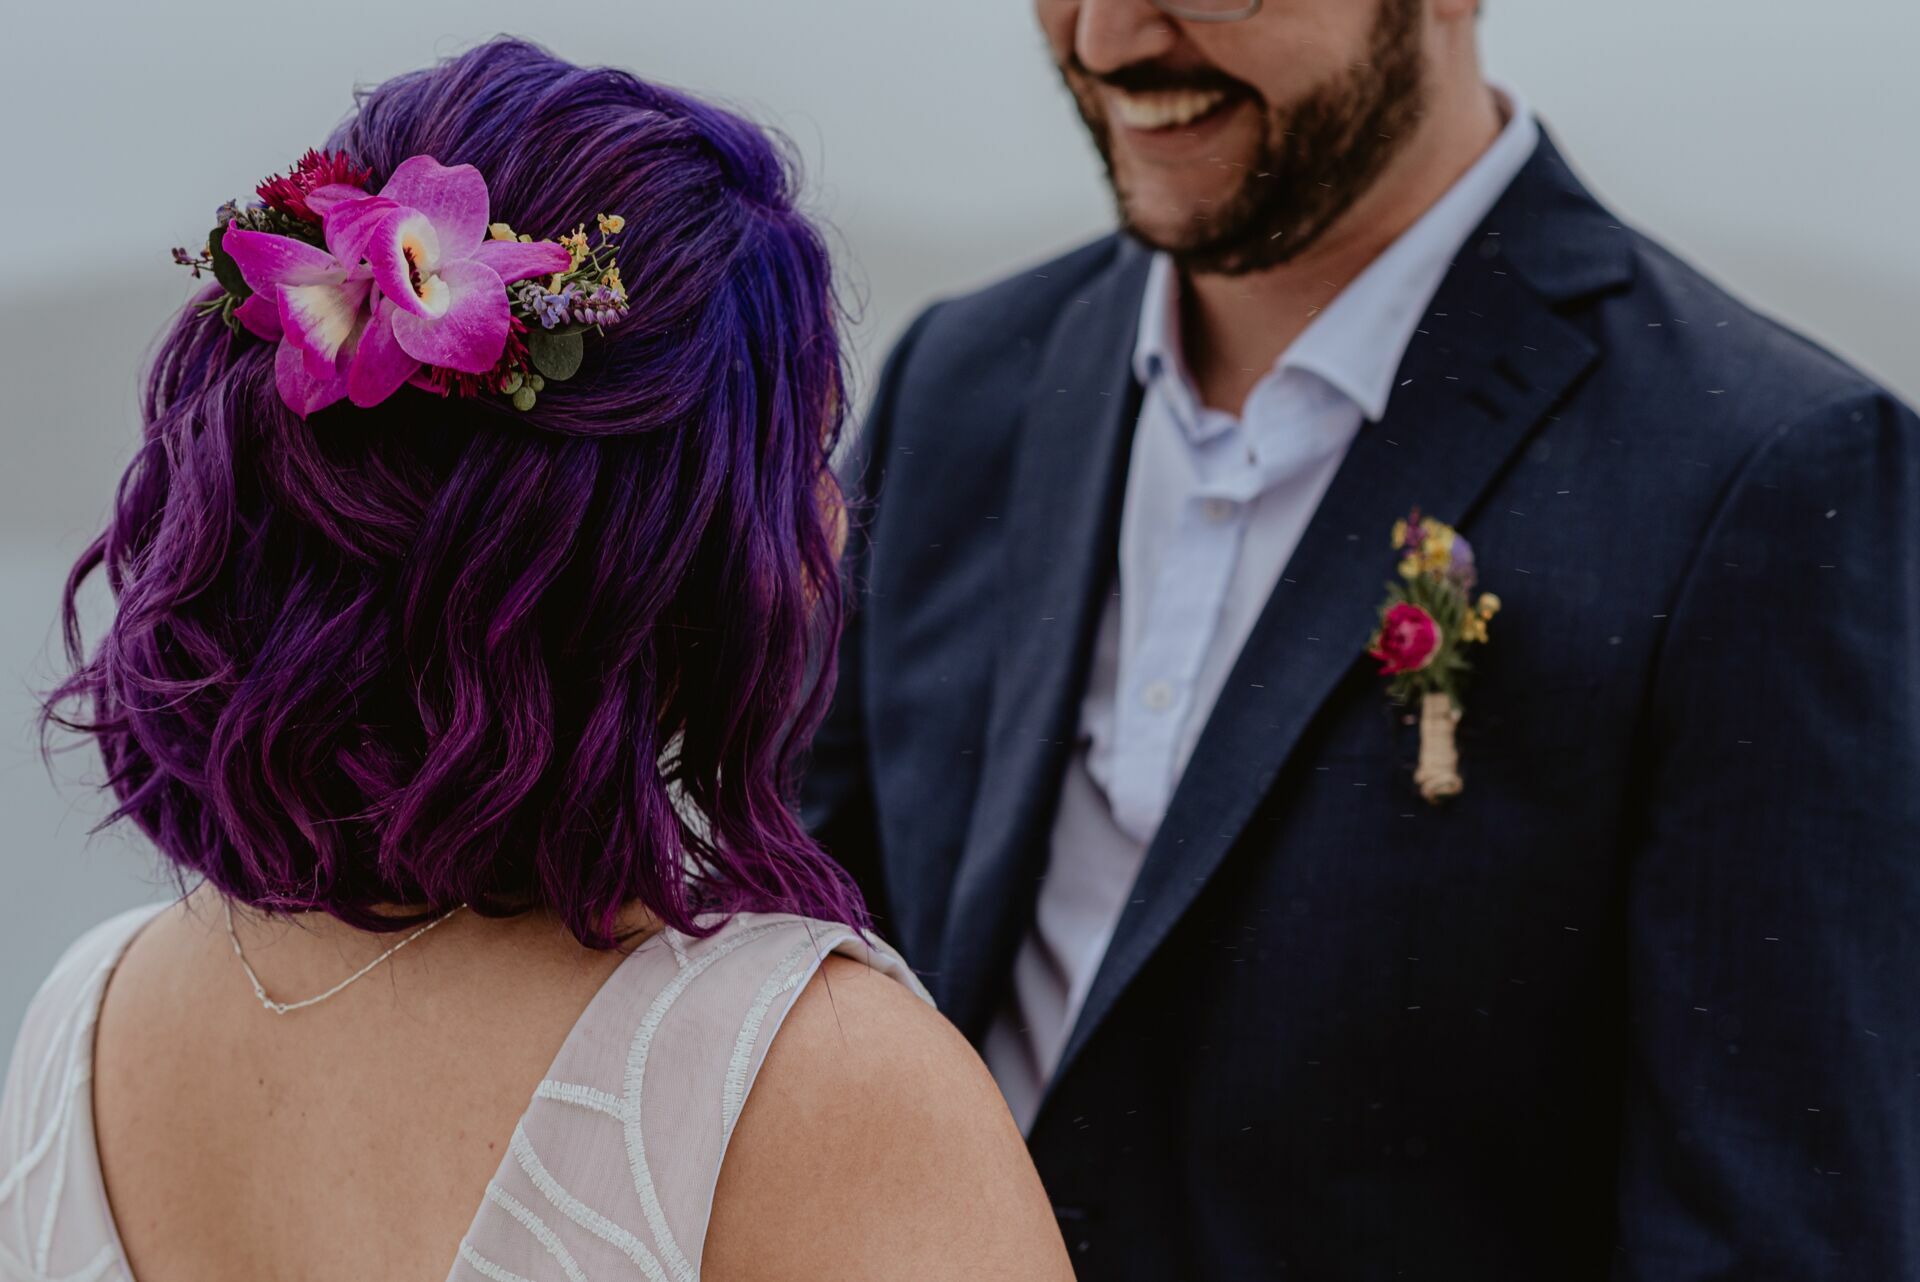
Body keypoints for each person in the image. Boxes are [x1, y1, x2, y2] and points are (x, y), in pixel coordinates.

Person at [803, 0, 1920, 1276]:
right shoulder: (963, 376)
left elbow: (1773, 1233)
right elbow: (805, 938)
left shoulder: (1768, 477)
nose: (1110, 37)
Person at [0, 39, 1072, 1282]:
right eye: (804, 458)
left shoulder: (80, 1026)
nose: (833, 522)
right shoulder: (812, 1086)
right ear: (670, 552)